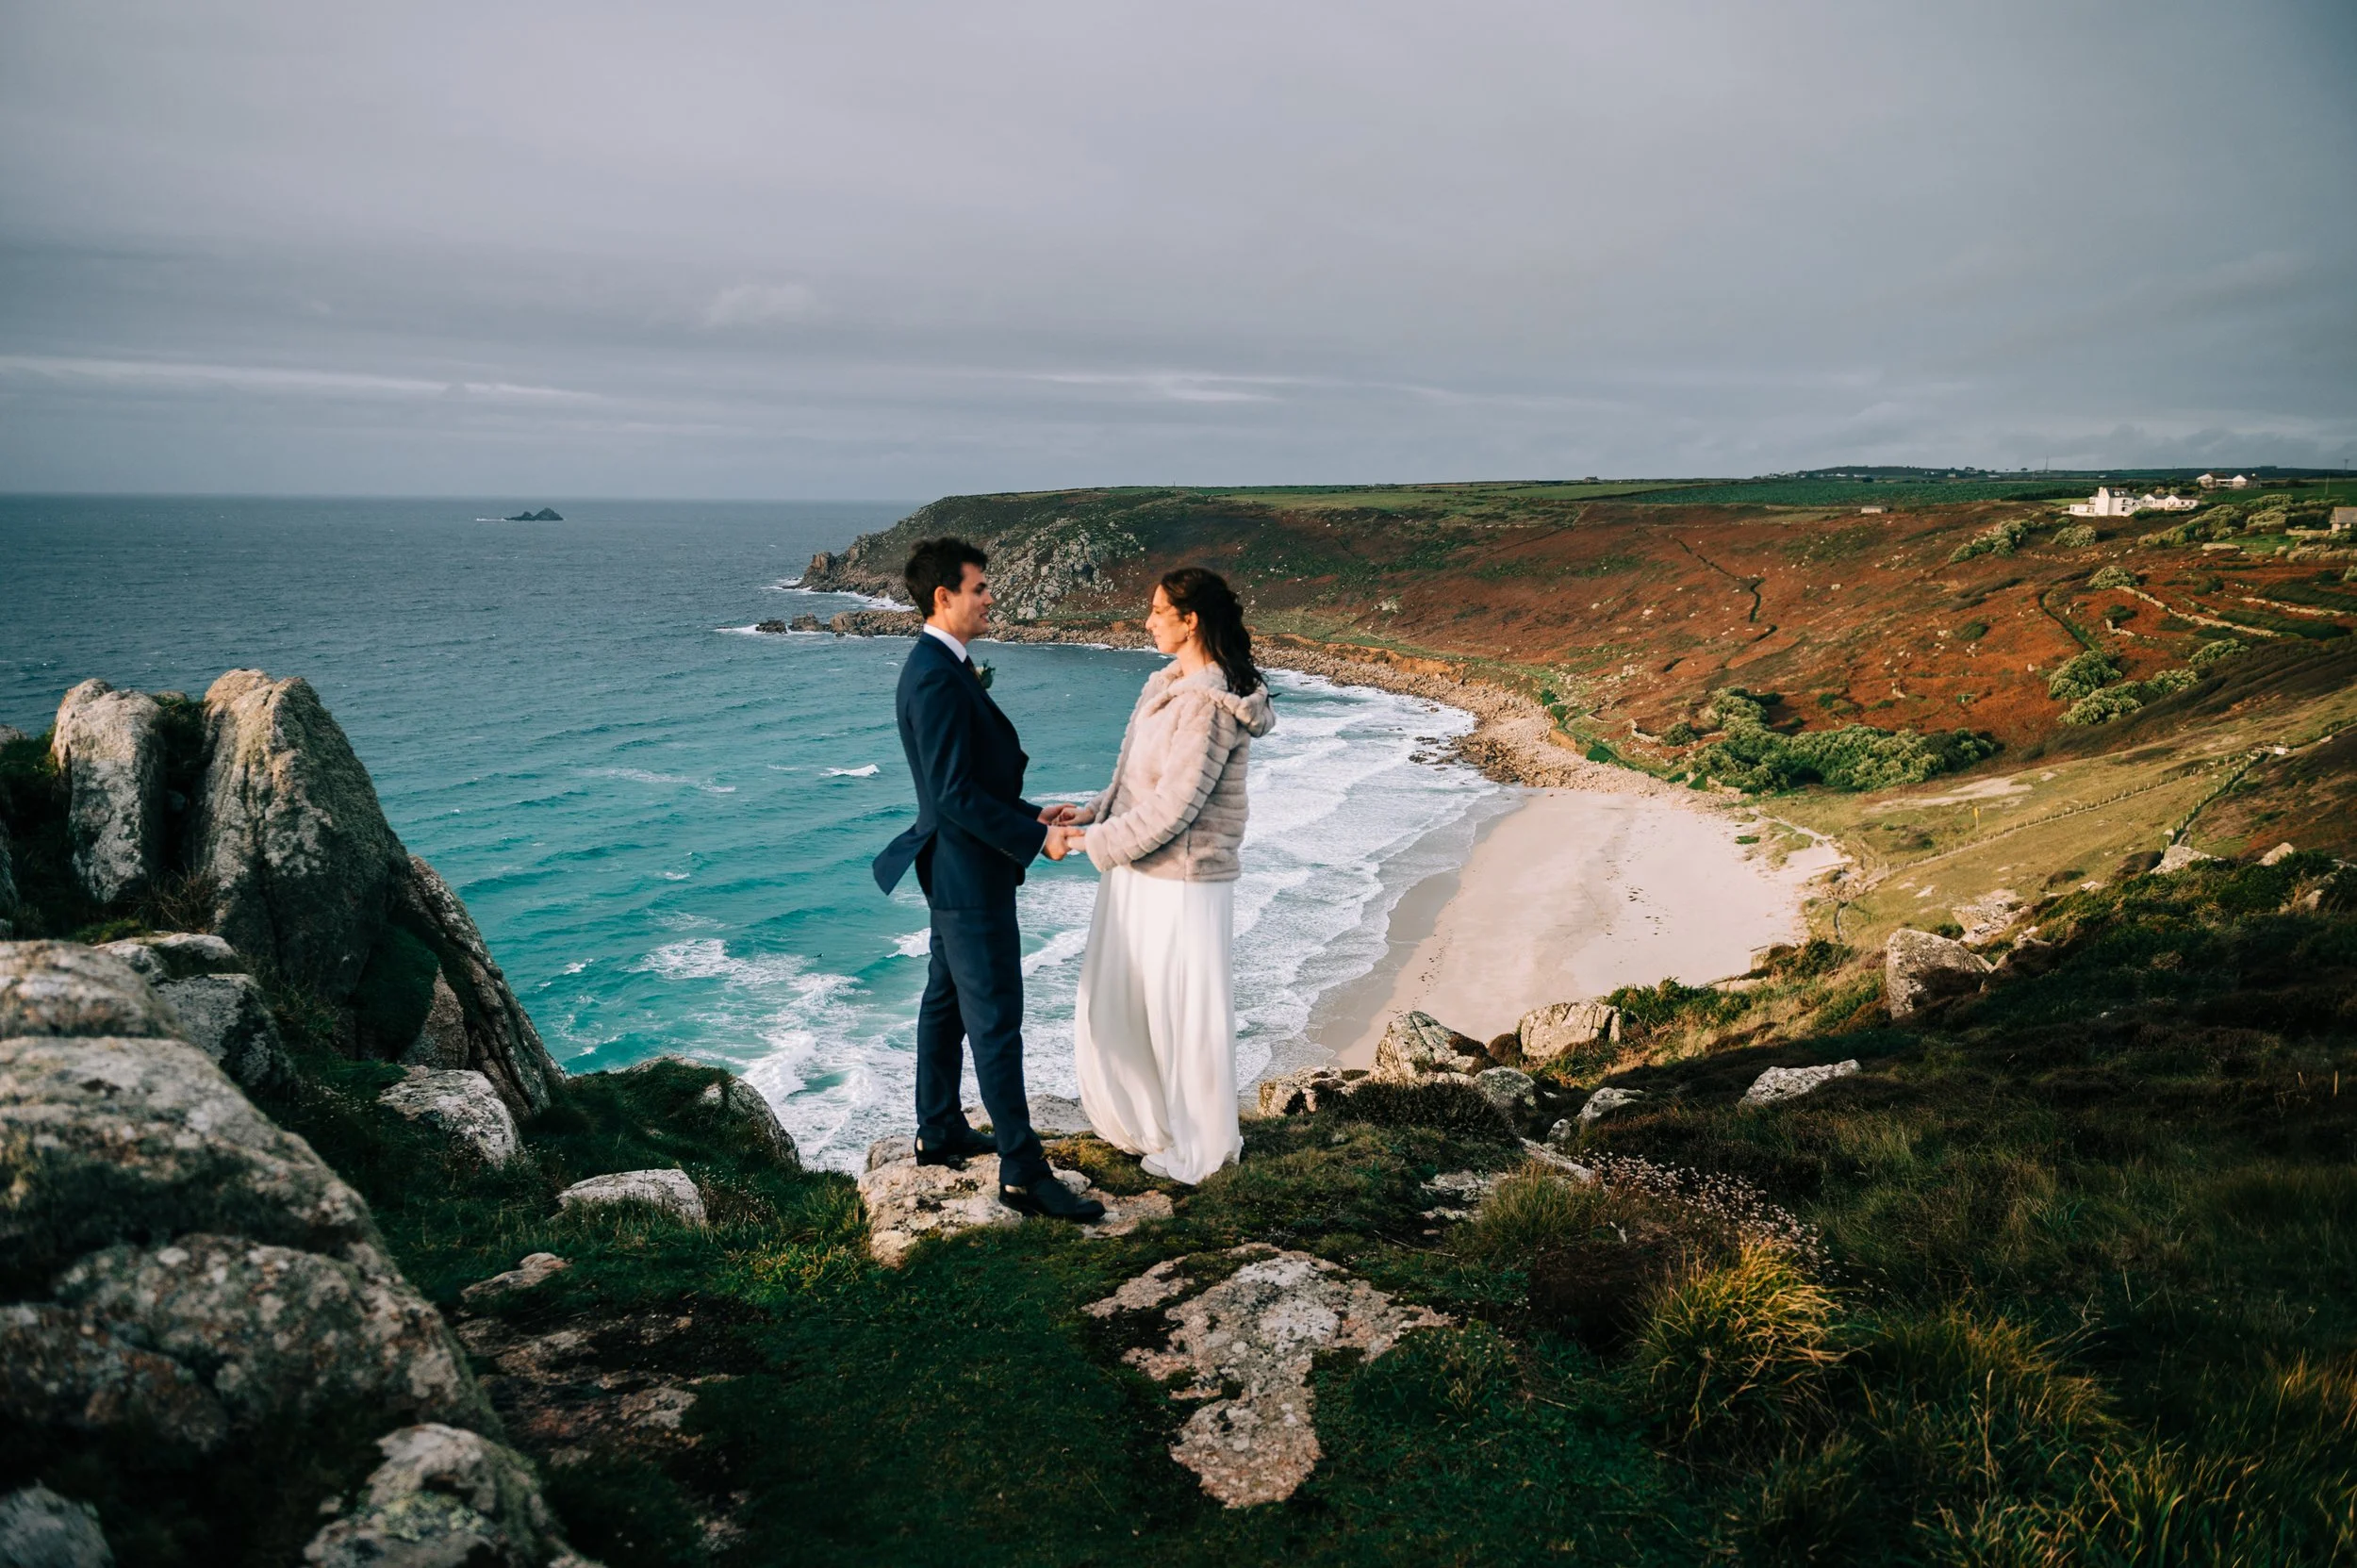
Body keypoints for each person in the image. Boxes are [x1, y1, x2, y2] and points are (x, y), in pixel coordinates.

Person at [872, 537, 1103, 1222]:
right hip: (968, 875)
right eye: (979, 587)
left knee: (945, 999)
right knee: (997, 1017)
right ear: (943, 597)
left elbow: (967, 785)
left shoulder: (941, 666)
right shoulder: (937, 676)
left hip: (956, 866)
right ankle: (1023, 1170)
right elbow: (951, 795)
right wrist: (1039, 839)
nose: (990, 596)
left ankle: (939, 1125)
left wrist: (1033, 810)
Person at [1066, 567, 1274, 1184]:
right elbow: (1136, 781)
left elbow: (1177, 805)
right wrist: (1092, 812)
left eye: (1159, 610)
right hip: (1143, 869)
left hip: (1182, 880)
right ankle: (1156, 1124)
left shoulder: (1208, 703)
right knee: (1134, 1006)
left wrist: (1095, 841)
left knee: (1183, 1013)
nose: (1148, 620)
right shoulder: (1169, 683)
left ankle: (1204, 1148)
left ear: (1191, 620)